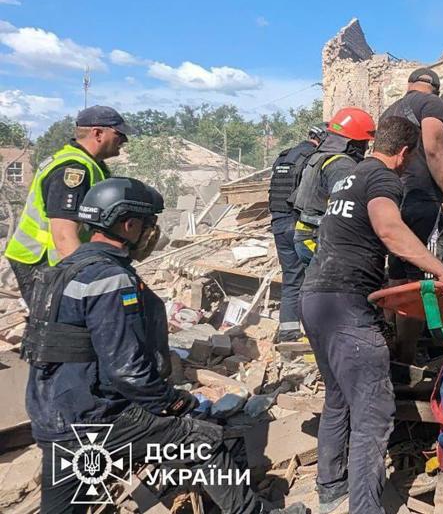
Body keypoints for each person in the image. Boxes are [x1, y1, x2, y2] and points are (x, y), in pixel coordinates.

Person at [21, 178, 304, 514]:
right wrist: (176, 403)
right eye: (148, 223)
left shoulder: (61, 271)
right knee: (202, 439)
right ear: (129, 225)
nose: (152, 233)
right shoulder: (112, 280)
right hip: (96, 417)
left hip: (52, 415)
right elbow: (127, 372)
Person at [300, 117, 443, 514]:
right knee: (374, 412)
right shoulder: (384, 179)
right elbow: (389, 230)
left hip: (314, 298)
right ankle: (365, 508)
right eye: (411, 159)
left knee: (339, 399)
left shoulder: (347, 177)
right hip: (345, 307)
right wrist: (441, 271)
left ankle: (331, 489)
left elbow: (355, 238)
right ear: (404, 153)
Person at [5, 106, 133, 307]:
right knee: (55, 325)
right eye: (119, 134)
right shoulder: (72, 170)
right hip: (42, 261)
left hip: (57, 260)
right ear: (97, 133)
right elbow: (64, 235)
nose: (124, 141)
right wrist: (88, 277)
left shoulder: (91, 165)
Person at [381, 67, 443, 364]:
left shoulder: (390, 110)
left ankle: (391, 340)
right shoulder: (432, 104)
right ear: (436, 88)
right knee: (422, 275)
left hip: (393, 197)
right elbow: (434, 148)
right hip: (421, 197)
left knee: (397, 273)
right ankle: (406, 355)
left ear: (409, 84)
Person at [292, 107, 376, 266]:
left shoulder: (320, 156)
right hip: (317, 239)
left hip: (306, 235)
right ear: (353, 143)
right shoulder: (341, 165)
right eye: (364, 143)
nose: (365, 149)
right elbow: (343, 211)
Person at [268, 127, 323, 342]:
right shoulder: (312, 158)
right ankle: (316, 332)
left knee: (291, 278)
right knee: (315, 279)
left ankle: (288, 332)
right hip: (300, 226)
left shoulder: (284, 157)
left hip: (278, 225)